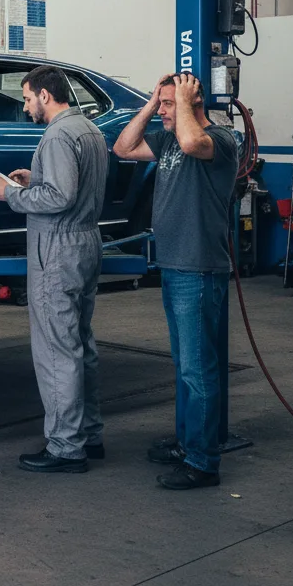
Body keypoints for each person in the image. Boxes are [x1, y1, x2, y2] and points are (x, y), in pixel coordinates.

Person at [113, 72, 238, 490]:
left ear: (192, 101)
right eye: (161, 104)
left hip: (199, 268)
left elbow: (191, 143)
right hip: (174, 266)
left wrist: (181, 102)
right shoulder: (167, 138)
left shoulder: (219, 141)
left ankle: (203, 462)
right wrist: (151, 104)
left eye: (169, 104)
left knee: (198, 370)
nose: (163, 111)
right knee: (186, 366)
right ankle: (188, 442)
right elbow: (123, 147)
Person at [0, 65, 109, 473]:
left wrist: (11, 194)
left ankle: (65, 448)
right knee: (80, 344)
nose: (24, 106)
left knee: (57, 350)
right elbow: (72, 183)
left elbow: (59, 197)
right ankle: (89, 435)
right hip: (87, 242)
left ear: (45, 95)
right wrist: (33, 177)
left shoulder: (56, 134)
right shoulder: (88, 129)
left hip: (57, 248)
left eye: (26, 97)